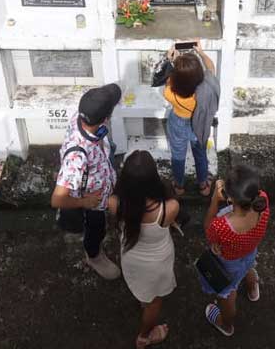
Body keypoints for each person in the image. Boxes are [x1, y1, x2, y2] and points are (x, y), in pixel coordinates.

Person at [107, 150, 180, 348]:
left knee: (144, 294)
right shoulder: (170, 207)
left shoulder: (115, 203)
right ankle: (144, 336)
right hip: (158, 263)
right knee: (154, 303)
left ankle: (143, 300)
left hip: (131, 257)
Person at [50, 83, 123, 279]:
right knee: (95, 229)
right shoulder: (77, 157)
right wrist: (85, 202)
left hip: (101, 182)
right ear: (105, 119)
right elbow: (57, 199)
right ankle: (94, 255)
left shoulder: (82, 115)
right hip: (92, 203)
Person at [201, 163, 270, 337]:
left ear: (230, 199)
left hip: (229, 263)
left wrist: (215, 200)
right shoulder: (263, 200)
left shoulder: (222, 225)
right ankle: (252, 287)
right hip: (250, 250)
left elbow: (208, 231)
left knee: (227, 295)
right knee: (248, 265)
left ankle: (226, 324)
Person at [161, 41, 220, 197]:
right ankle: (204, 186)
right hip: (199, 124)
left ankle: (179, 186)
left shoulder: (169, 93)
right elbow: (211, 67)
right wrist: (200, 52)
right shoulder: (207, 86)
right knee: (200, 154)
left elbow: (168, 79)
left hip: (178, 122)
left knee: (178, 156)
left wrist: (172, 61)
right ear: (199, 74)